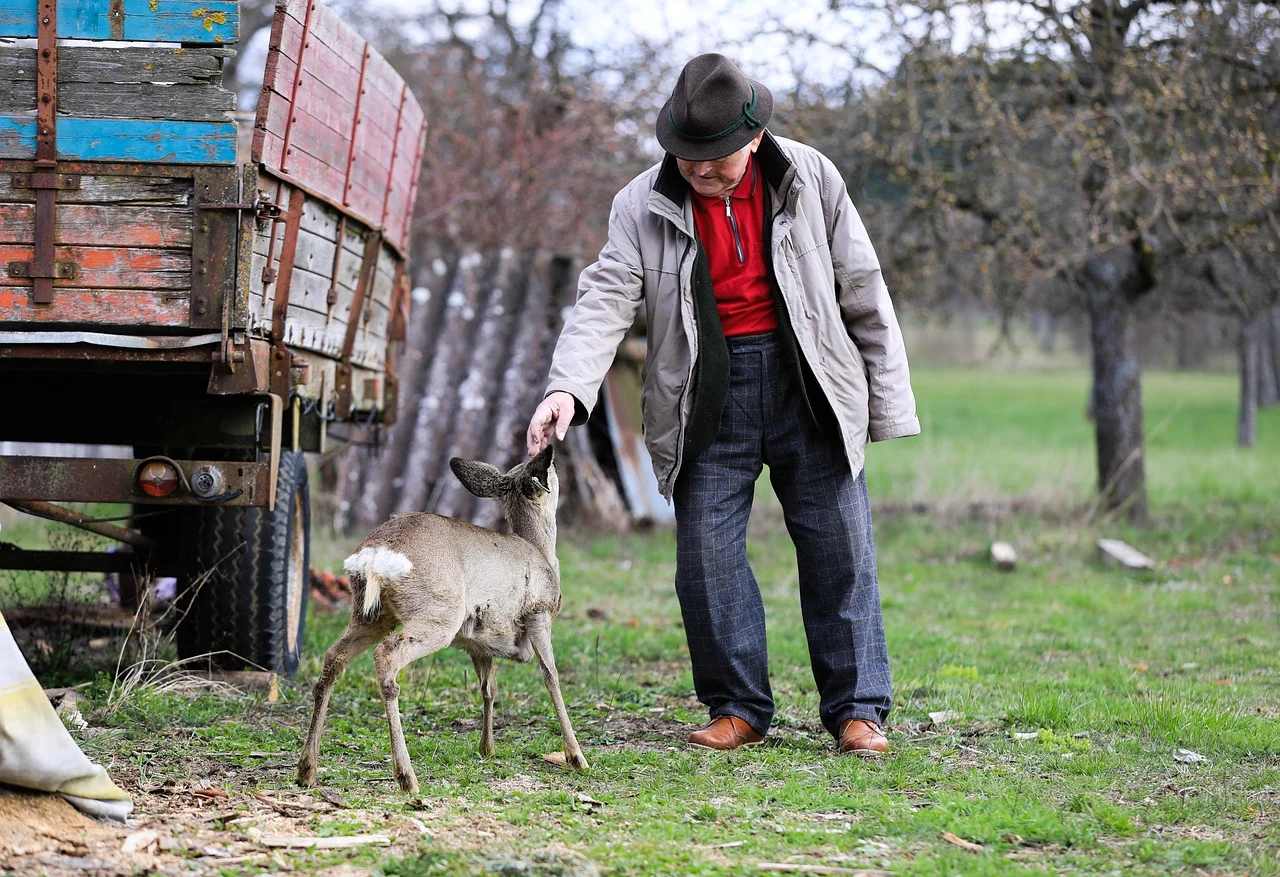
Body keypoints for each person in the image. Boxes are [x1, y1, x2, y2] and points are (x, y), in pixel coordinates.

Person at [526, 53, 919, 755]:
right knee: (705, 558)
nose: (700, 171)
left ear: (755, 139)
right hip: (705, 391)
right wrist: (568, 387)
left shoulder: (812, 177)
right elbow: (605, 299)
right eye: (687, 157)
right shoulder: (638, 204)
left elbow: (864, 288)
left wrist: (886, 404)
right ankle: (737, 706)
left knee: (841, 551)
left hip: (810, 383)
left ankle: (858, 709)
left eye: (716, 159)